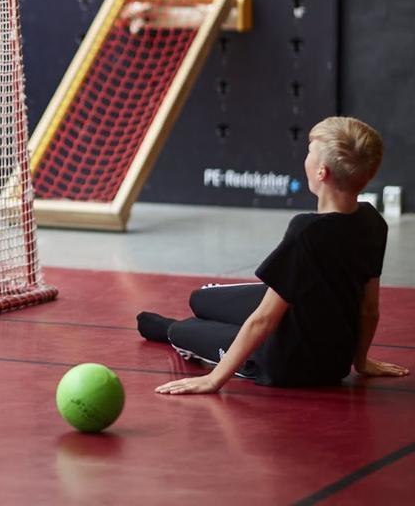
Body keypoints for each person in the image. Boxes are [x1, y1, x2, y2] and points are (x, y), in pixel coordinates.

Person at [137, 116, 409, 393]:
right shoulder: (373, 221)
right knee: (201, 299)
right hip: (333, 357)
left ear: (321, 172)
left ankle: (171, 330)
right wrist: (360, 361)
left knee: (184, 331)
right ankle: (195, 323)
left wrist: (213, 379)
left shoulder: (307, 232)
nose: (306, 158)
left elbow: (263, 319)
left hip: (286, 362)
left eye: (310, 153)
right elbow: (370, 309)